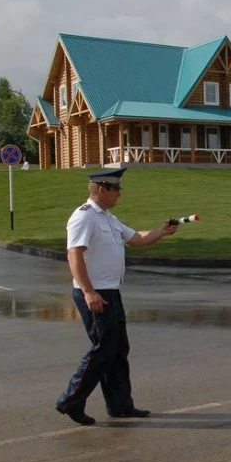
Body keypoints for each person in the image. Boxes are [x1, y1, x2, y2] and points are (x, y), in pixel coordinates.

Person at [55, 168, 178, 426]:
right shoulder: (84, 217)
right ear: (102, 189)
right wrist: (89, 292)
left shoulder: (109, 219)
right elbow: (74, 255)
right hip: (95, 292)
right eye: (116, 189)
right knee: (103, 349)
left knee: (118, 349)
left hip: (111, 291)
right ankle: (71, 400)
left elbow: (136, 239)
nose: (119, 193)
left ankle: (120, 404)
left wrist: (161, 231)